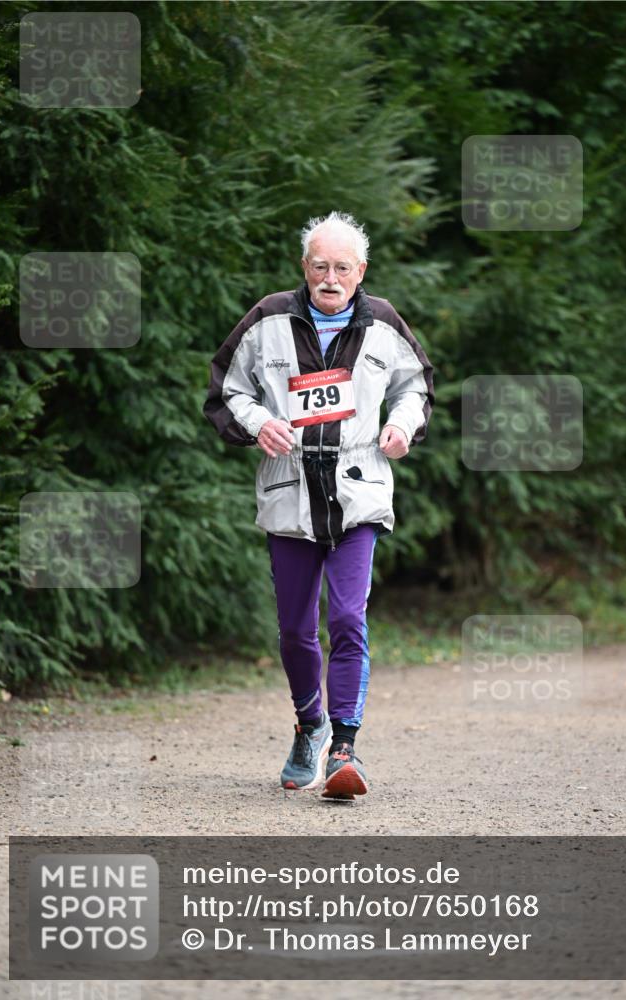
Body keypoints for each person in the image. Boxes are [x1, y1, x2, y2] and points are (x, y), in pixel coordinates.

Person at [203, 211, 434, 799]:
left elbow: (416, 386)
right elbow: (227, 388)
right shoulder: (268, 319)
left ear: (361, 271)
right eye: (320, 266)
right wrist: (258, 422)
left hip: (358, 490)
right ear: (304, 267)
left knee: (348, 619)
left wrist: (402, 424)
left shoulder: (384, 323)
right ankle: (311, 727)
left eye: (342, 268)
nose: (331, 279)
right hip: (290, 490)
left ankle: (345, 748)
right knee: (295, 630)